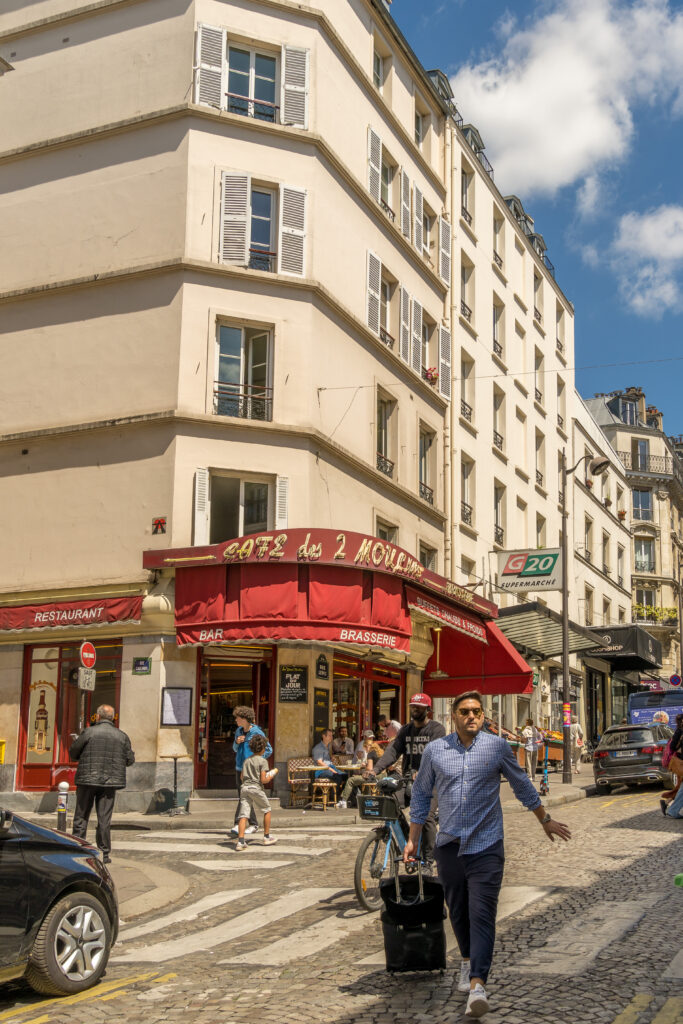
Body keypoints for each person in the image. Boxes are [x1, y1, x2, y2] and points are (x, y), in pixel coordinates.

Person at [406, 691, 571, 1018]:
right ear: (453, 715)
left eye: (477, 712)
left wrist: (545, 820)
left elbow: (521, 785)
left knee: (481, 913)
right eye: (465, 711)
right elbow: (422, 795)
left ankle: (478, 985)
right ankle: (467, 960)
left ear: (483, 716)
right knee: (458, 911)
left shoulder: (497, 747)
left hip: (487, 846)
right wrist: (413, 839)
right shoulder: (436, 751)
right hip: (449, 845)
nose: (471, 716)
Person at [365, 693, 445, 865]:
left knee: (427, 816)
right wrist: (375, 770)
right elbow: (392, 751)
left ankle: (428, 861)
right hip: (408, 779)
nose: (415, 710)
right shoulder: (406, 730)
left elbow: (436, 755)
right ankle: (409, 839)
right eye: (413, 706)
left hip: (431, 781)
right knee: (391, 804)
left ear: (428, 710)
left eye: (419, 707)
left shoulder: (436, 729)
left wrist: (423, 771)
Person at [69, 704, 135, 865]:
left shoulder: (89, 732)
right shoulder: (121, 736)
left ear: (98, 717)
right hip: (109, 782)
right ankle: (104, 853)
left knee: (81, 815)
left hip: (87, 779)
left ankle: (78, 847)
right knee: (104, 818)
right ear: (112, 718)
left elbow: (73, 753)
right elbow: (130, 760)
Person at [230, 706, 272, 837]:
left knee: (244, 796)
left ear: (244, 719)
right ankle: (252, 824)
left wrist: (256, 760)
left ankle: (239, 824)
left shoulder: (257, 732)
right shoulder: (238, 731)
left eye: (238, 718)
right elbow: (235, 749)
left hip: (251, 771)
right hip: (240, 768)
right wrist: (237, 742)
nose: (236, 720)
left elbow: (268, 749)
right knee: (244, 796)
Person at [235, 733, 279, 850]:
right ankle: (266, 837)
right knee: (267, 809)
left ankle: (240, 841)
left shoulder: (246, 761)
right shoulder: (263, 761)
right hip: (256, 788)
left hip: (245, 788)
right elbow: (263, 780)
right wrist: (270, 776)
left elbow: (242, 777)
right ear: (263, 748)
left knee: (243, 815)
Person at [337, 735, 385, 808]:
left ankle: (343, 801)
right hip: (382, 776)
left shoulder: (370, 753)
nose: (365, 750)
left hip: (374, 777)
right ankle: (364, 800)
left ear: (367, 746)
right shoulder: (380, 752)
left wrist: (365, 766)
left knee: (350, 780)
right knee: (361, 781)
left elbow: (370, 769)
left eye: (364, 748)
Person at [312, 728, 347, 799]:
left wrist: (330, 759)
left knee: (346, 776)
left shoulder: (327, 746)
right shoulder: (318, 748)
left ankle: (344, 797)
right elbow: (319, 762)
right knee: (337, 777)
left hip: (329, 768)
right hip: (321, 771)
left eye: (332, 735)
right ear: (324, 736)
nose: (332, 737)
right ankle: (333, 798)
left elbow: (325, 760)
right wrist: (331, 769)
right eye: (330, 735)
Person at [660, 713, 683, 816]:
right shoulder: (680, 731)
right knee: (680, 788)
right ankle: (672, 809)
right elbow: (673, 746)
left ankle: (668, 804)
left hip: (680, 761)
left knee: (680, 787)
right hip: (681, 763)